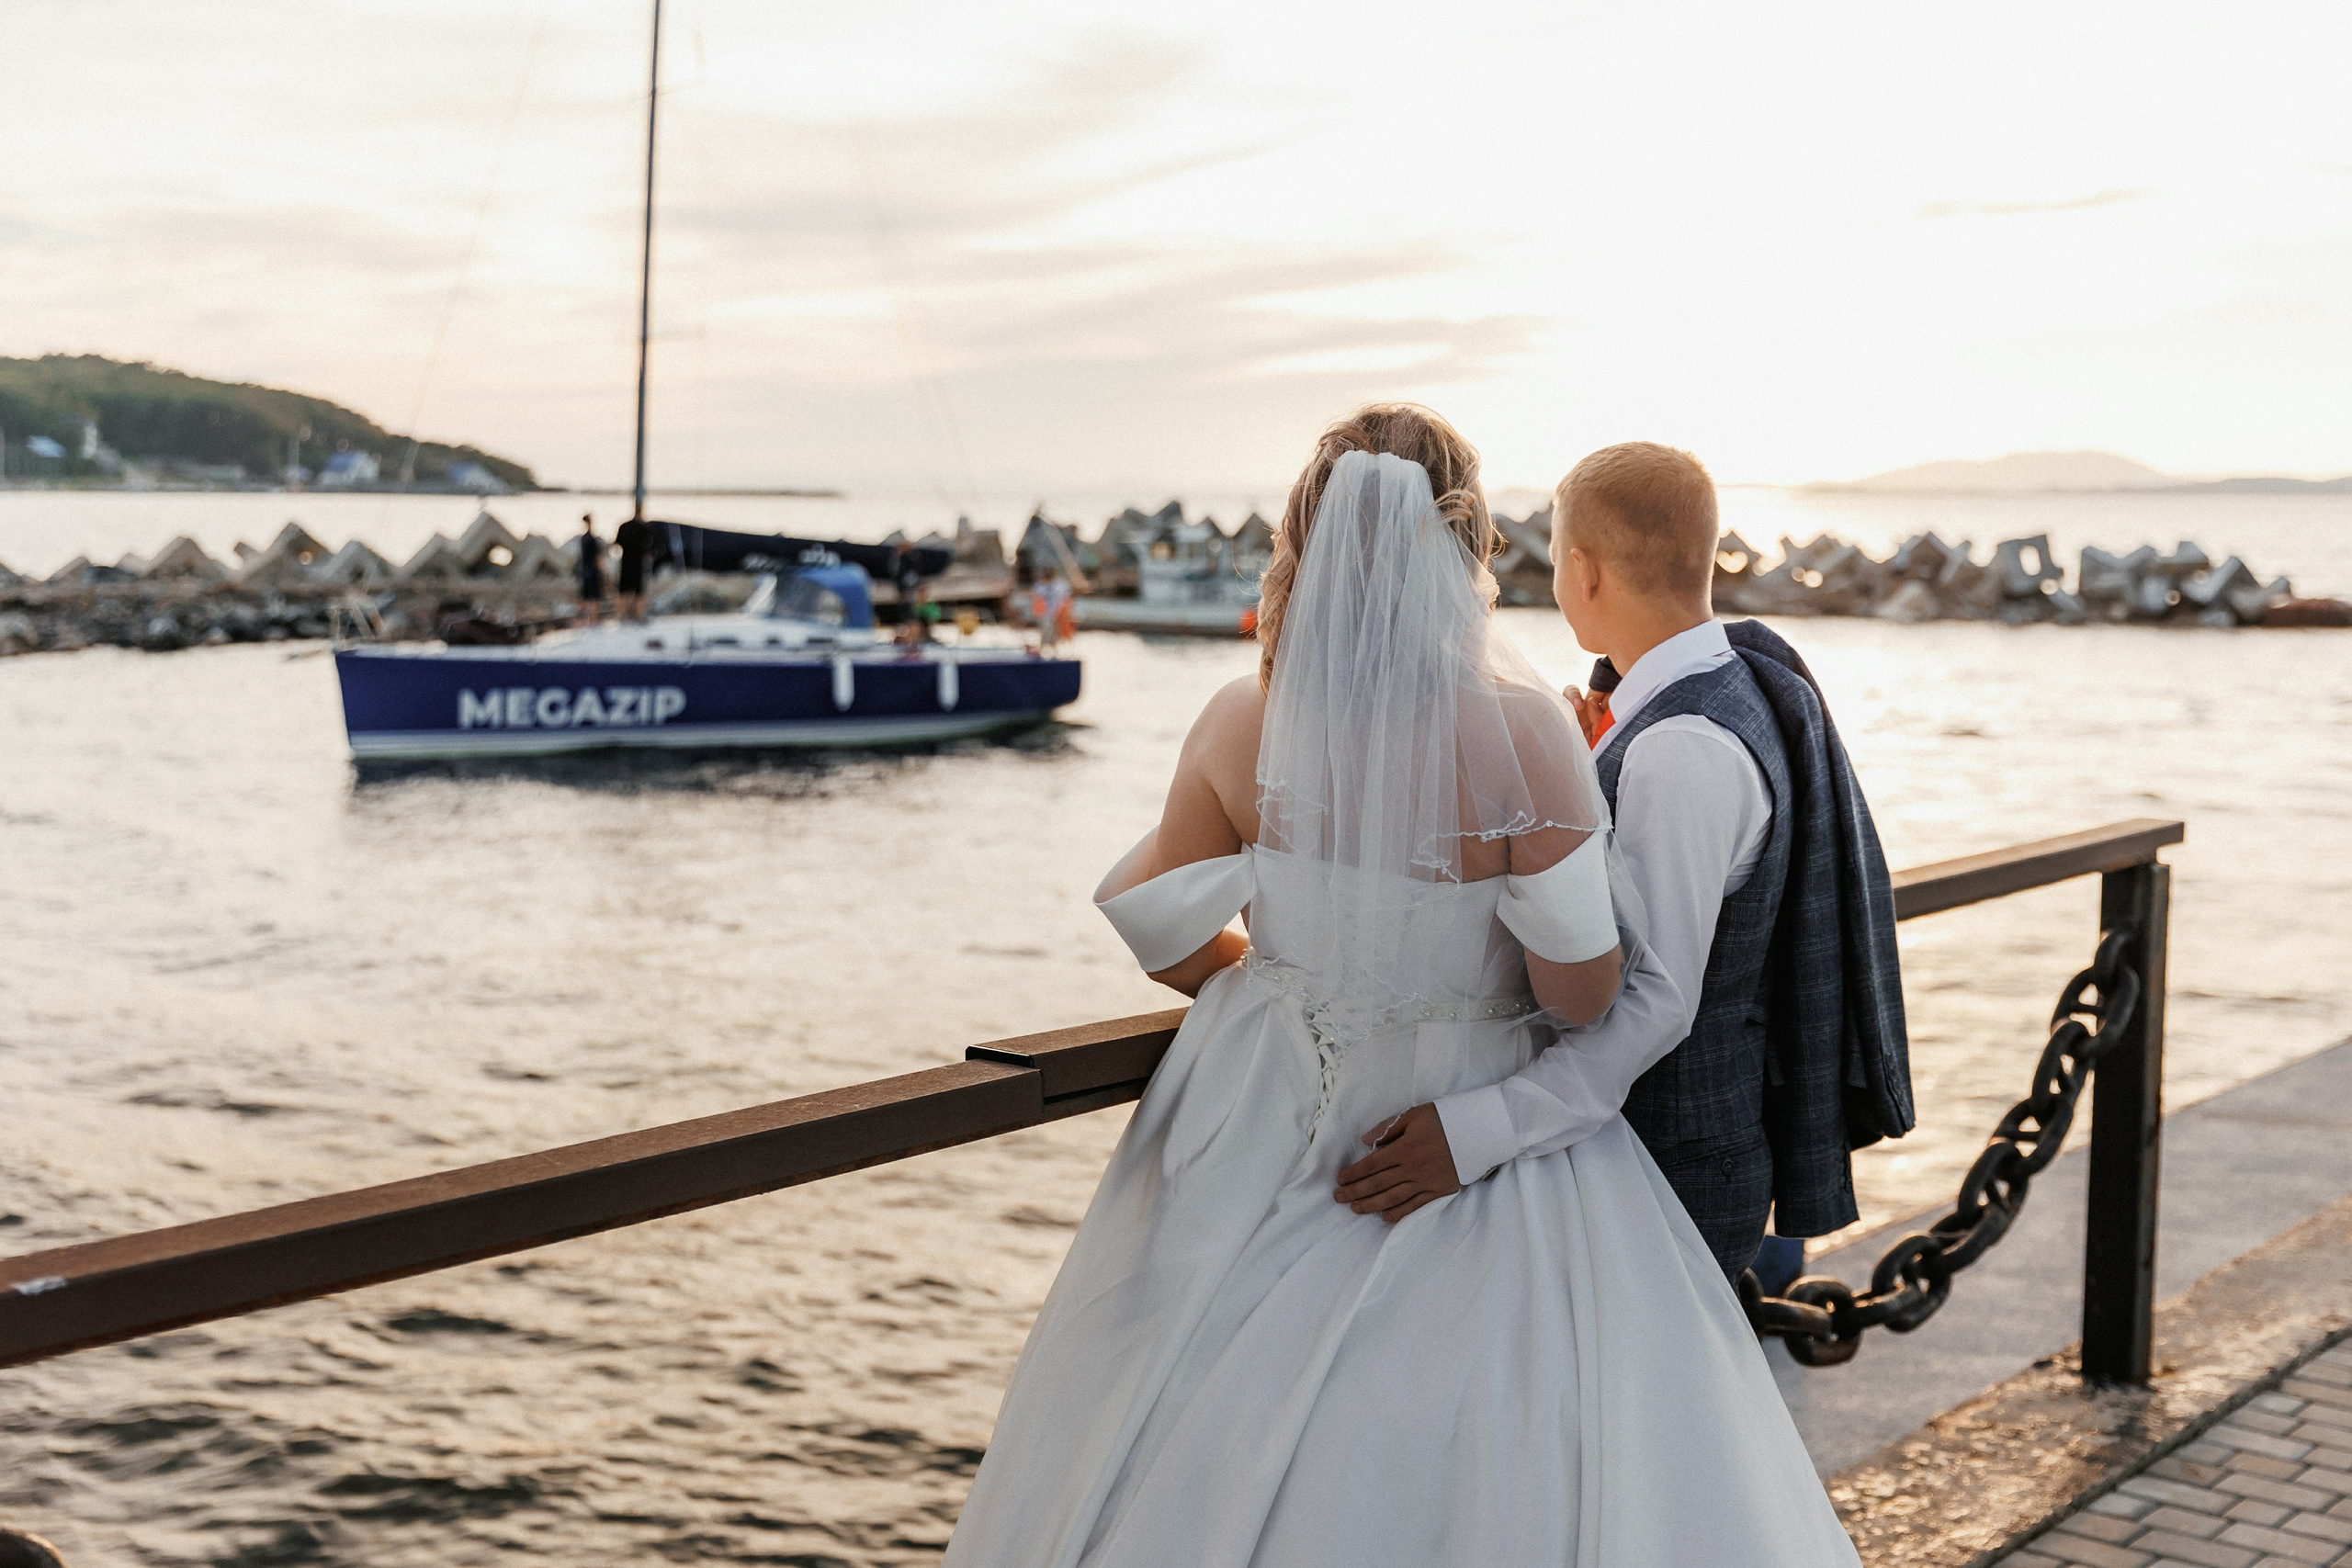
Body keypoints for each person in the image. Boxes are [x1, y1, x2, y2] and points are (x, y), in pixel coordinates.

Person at [944, 406, 1861, 1567]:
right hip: (1464, 1111)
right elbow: (1581, 996)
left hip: (1262, 1095)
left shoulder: (1242, 718)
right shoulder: (1529, 736)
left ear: (1302, 546)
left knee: (1176, 1403)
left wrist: (1285, 988)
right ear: (1463, 549)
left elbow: (1163, 934)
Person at [1430, 442, 1914, 1284]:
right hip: (1675, 1145)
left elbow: (1654, 1002)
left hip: (1671, 1161)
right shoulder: (1712, 691)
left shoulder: (1678, 749)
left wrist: (1478, 1130)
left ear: (1581, 570)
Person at [615, 514, 650, 622]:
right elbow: (650, 545)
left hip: (625, 564)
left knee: (623, 592)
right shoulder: (642, 528)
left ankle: (622, 616)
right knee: (638, 592)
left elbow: (617, 543)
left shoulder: (624, 526)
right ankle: (638, 616)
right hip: (637, 565)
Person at [1030, 568, 1071, 655]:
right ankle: (1042, 648)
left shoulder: (1061, 585)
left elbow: (1067, 598)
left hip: (1057, 612)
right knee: (1045, 630)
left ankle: (1054, 648)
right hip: (1045, 613)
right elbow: (1036, 599)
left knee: (1056, 632)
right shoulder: (1040, 585)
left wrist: (1064, 612)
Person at [575, 513, 606, 626]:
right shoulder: (592, 539)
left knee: (585, 596)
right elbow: (597, 558)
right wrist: (602, 571)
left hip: (584, 570)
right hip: (592, 571)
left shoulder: (583, 539)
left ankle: (583, 620)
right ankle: (593, 620)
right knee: (594, 597)